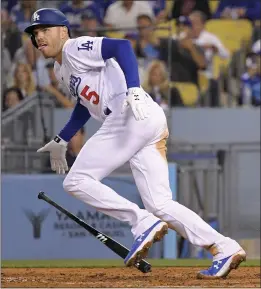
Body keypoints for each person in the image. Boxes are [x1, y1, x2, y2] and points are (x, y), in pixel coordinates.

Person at [25, 8, 246, 278]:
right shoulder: (61, 68)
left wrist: (134, 88)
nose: (39, 37)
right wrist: (63, 137)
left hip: (129, 113)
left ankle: (141, 222)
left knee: (76, 180)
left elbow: (122, 46)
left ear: (63, 31)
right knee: (160, 204)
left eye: (45, 30)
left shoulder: (73, 48)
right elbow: (84, 106)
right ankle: (225, 247)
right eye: (35, 33)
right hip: (145, 121)